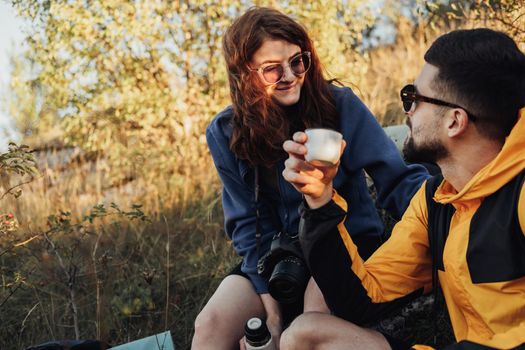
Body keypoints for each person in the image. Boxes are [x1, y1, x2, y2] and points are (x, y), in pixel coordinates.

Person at [192, 7, 429, 350]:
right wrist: (271, 318)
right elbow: (247, 227)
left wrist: (443, 218)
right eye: (272, 69)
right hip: (273, 256)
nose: (289, 75)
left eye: (297, 61)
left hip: (343, 241)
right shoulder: (225, 132)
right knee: (209, 325)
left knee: (307, 322)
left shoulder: (339, 104)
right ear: (244, 75)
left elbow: (396, 179)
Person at [280, 28, 525, 349]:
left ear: (455, 121)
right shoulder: (436, 200)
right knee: (305, 334)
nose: (406, 111)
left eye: (414, 98)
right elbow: (362, 297)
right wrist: (320, 199)